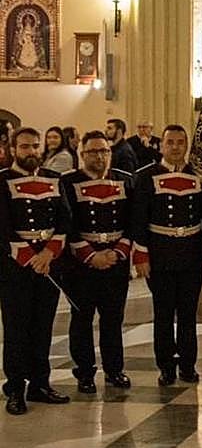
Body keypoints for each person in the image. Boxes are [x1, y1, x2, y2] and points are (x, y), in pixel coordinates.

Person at [0, 127, 72, 415]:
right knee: (17, 329)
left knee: (43, 327)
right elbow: (2, 226)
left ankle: (40, 383)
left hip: (47, 265)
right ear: (13, 149)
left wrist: (48, 254)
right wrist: (30, 256)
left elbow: (65, 219)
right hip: (16, 266)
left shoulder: (54, 179)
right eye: (25, 147)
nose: (30, 151)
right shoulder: (3, 181)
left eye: (35, 146)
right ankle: (15, 387)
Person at [130, 125, 202, 386]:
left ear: (186, 146)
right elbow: (139, 218)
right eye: (170, 142)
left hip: (191, 252)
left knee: (188, 313)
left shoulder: (200, 176)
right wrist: (141, 256)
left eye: (180, 142)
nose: (175, 147)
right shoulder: (146, 176)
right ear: (161, 146)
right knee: (163, 313)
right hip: (160, 252)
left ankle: (188, 364)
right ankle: (166, 365)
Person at [61, 130, 135, 393]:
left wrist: (118, 252)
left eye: (104, 151)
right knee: (82, 320)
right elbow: (66, 223)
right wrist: (90, 255)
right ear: (82, 155)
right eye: (93, 152)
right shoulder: (68, 182)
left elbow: (133, 220)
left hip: (115, 259)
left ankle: (115, 369)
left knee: (113, 319)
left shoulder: (125, 180)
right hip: (82, 265)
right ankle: (84, 372)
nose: (99, 157)